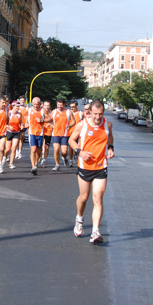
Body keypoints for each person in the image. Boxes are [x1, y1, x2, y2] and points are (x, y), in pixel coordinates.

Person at [68, 100, 115, 244]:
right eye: (95, 114)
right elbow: (71, 140)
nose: (97, 117)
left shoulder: (107, 125)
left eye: (100, 114)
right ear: (91, 112)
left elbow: (110, 137)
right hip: (85, 166)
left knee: (98, 198)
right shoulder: (82, 124)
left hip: (101, 166)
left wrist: (111, 148)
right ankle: (79, 218)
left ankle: (95, 231)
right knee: (84, 197)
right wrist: (79, 152)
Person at [26, 97, 51, 175]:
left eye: (37, 104)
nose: (36, 106)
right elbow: (27, 118)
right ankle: (33, 167)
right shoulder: (29, 110)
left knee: (39, 151)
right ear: (32, 104)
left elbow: (50, 119)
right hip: (32, 132)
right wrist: (26, 123)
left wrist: (42, 120)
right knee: (33, 149)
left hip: (40, 133)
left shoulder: (43, 111)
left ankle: (36, 162)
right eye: (34, 104)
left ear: (40, 104)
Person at [51, 98, 76, 171]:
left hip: (65, 134)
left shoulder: (68, 112)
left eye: (61, 105)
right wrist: (50, 125)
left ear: (64, 104)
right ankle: (57, 165)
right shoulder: (54, 112)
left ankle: (64, 158)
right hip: (55, 133)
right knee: (56, 149)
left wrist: (70, 125)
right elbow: (49, 119)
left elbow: (73, 121)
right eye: (58, 105)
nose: (59, 107)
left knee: (64, 152)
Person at [5, 101, 23, 169]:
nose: (18, 108)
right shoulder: (9, 113)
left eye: (18, 106)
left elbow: (21, 122)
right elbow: (5, 123)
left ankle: (11, 163)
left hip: (17, 132)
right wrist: (9, 127)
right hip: (9, 132)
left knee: (14, 148)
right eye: (16, 106)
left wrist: (22, 125)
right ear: (13, 106)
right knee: (7, 149)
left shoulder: (19, 114)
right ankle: (5, 157)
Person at [68, 100, 84, 166]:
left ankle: (76, 155)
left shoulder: (81, 113)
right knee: (71, 147)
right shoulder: (68, 113)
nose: (72, 108)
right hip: (70, 133)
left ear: (77, 106)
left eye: (73, 107)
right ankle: (70, 160)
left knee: (77, 147)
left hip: (78, 133)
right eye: (71, 107)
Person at [40, 100, 53, 168]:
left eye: (48, 105)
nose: (47, 107)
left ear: (50, 106)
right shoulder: (41, 112)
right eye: (45, 105)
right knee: (40, 147)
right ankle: (39, 155)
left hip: (48, 132)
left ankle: (44, 160)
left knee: (46, 147)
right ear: (43, 106)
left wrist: (52, 126)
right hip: (41, 131)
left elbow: (56, 122)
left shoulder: (52, 113)